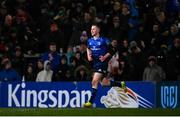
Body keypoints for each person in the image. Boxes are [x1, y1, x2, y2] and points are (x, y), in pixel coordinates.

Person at [83, 24, 126, 108]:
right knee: (104, 83)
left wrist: (105, 57)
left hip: (102, 64)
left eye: (94, 29)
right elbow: (88, 48)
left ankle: (90, 102)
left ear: (98, 30)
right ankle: (121, 84)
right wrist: (88, 56)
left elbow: (113, 49)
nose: (92, 30)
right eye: (91, 29)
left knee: (94, 81)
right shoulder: (89, 41)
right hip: (95, 64)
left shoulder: (104, 40)